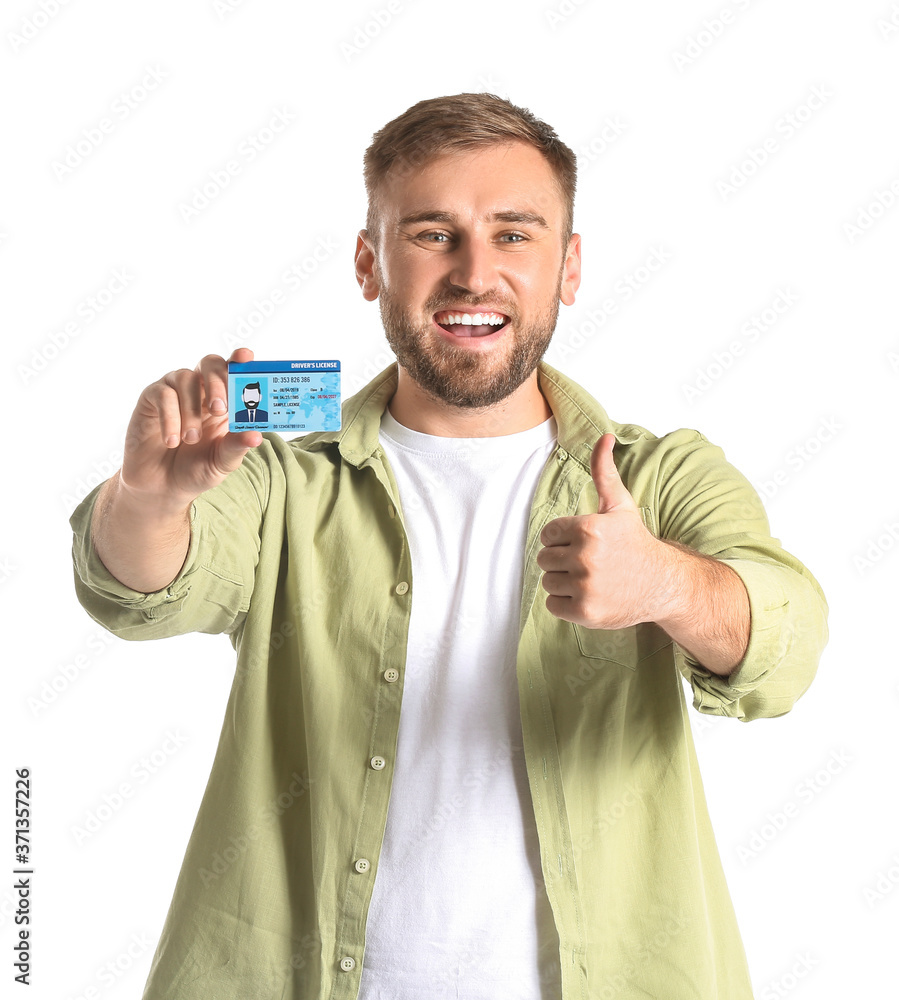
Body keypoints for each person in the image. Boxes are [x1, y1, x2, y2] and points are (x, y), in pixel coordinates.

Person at [69, 92, 829, 1000]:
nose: (474, 274)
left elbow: (785, 649)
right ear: (369, 263)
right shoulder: (280, 479)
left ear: (570, 266)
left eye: (514, 234)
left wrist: (663, 584)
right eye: (432, 234)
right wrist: (149, 496)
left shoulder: (659, 476)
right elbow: (143, 589)